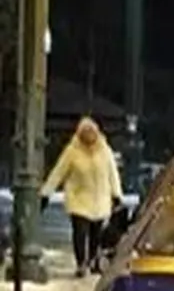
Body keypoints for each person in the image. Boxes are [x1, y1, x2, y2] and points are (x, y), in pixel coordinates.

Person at [41, 118, 124, 277]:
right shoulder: (72, 151)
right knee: (80, 232)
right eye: (86, 132)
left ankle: (93, 261)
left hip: (100, 199)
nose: (89, 136)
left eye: (92, 132)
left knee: (96, 234)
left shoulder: (105, 150)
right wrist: (46, 192)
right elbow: (59, 172)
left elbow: (112, 174)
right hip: (78, 199)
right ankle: (81, 263)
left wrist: (117, 195)